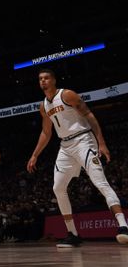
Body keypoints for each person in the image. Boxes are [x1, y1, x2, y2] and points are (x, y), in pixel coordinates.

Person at [27, 68, 128, 247]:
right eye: (40, 79)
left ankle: (123, 226)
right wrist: (35, 155)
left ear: (54, 80)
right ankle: (72, 234)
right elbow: (46, 131)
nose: (43, 81)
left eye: (47, 78)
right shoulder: (43, 105)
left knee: (100, 182)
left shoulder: (67, 95)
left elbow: (89, 115)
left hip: (83, 140)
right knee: (58, 188)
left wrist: (101, 143)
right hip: (65, 147)